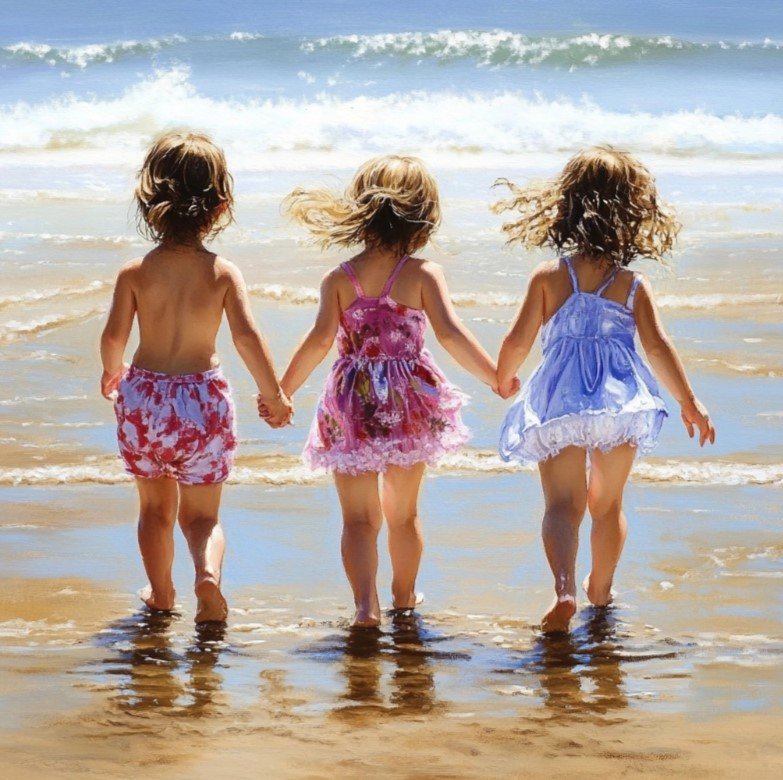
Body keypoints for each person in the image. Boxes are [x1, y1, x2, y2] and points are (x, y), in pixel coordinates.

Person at [494, 146, 715, 633]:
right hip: (619, 403)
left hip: (561, 403)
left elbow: (518, 340)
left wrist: (503, 375)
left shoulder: (551, 277)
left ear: (568, 206)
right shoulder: (632, 284)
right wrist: (688, 401)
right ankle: (602, 589)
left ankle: (565, 590)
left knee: (561, 507)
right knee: (607, 505)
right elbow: (657, 346)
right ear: (631, 214)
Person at [276, 154, 499, 628]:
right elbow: (452, 334)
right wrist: (495, 375)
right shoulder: (421, 274)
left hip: (352, 401)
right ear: (422, 216)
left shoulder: (340, 278)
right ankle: (403, 595)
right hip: (407, 403)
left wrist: (282, 390)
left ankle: (364, 606)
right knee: (403, 515)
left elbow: (318, 342)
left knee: (358, 520)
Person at [100, 130, 292, 623]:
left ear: (150, 201)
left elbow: (113, 338)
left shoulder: (134, 273)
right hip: (203, 401)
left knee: (154, 512)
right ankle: (207, 578)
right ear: (220, 205)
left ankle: (162, 595)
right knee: (202, 516)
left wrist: (111, 372)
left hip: (143, 398)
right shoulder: (222, 272)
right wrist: (274, 396)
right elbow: (247, 338)